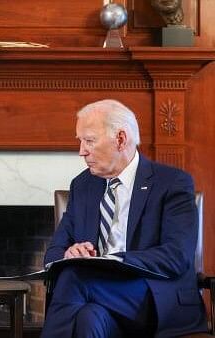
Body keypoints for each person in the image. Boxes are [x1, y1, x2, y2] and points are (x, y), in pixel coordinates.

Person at [42, 99, 207, 337]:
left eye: (89, 141)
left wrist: (114, 261)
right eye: (80, 142)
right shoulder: (83, 185)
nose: (81, 151)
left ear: (120, 139)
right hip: (98, 299)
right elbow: (53, 253)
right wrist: (69, 253)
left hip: (155, 298)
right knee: (88, 318)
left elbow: (176, 256)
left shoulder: (172, 182)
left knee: (75, 278)